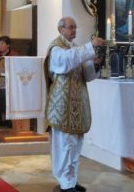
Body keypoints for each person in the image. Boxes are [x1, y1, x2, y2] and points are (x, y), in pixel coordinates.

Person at [45, 17, 105, 192]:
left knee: (76, 145)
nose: (74, 31)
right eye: (70, 27)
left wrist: (94, 65)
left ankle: (71, 180)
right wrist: (89, 47)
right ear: (60, 29)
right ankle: (65, 182)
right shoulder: (56, 48)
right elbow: (65, 62)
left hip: (77, 103)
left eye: (75, 27)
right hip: (62, 106)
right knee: (65, 145)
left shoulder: (74, 47)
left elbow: (87, 75)